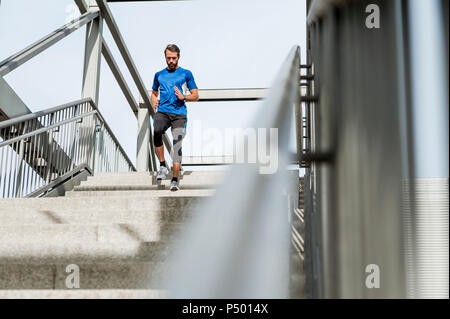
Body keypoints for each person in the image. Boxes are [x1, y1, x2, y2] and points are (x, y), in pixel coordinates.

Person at [151, 44, 199, 191]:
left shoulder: (186, 74)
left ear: (178, 57)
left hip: (179, 114)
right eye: (168, 58)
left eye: (173, 58)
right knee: (157, 130)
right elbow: (154, 93)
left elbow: (196, 96)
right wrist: (154, 101)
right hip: (163, 112)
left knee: (177, 142)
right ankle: (162, 165)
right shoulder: (159, 75)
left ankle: (174, 179)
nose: (171, 61)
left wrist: (183, 96)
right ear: (165, 58)